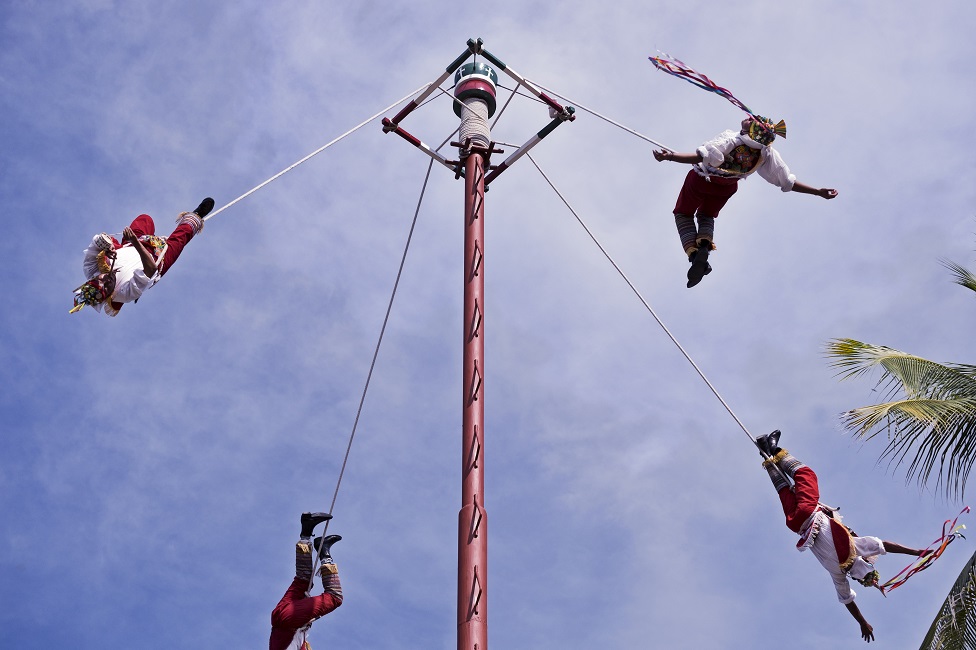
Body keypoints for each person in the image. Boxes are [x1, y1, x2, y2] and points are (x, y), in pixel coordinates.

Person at [755, 430, 930, 643]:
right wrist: (862, 622)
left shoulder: (856, 549)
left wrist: (916, 552)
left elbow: (883, 545)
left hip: (808, 513)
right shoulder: (838, 573)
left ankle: (774, 449)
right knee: (784, 491)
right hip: (796, 525)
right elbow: (848, 601)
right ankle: (764, 449)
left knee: (806, 475)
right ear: (854, 577)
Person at [652, 116, 838, 288]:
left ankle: (693, 254)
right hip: (727, 188)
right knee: (707, 215)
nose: (749, 117)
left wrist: (670, 157)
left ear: (753, 131)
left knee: (683, 213)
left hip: (701, 180)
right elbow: (786, 181)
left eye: (753, 120)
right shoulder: (765, 154)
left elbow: (704, 157)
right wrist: (817, 192)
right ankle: (703, 250)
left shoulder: (732, 139)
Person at [70, 198, 213, 316]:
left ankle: (135, 240)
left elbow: (98, 239)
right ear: (108, 295)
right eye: (108, 287)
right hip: (157, 260)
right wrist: (135, 242)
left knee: (145, 220)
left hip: (133, 245)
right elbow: (150, 268)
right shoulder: (123, 294)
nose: (108, 280)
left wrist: (108, 247)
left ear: (94, 278)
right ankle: (197, 215)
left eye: (102, 280)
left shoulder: (91, 268)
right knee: (182, 236)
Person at [269, 512, 343, 650]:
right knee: (303, 580)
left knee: (335, 597)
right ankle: (306, 532)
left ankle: (324, 553)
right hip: (280, 616)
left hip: (289, 621)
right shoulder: (299, 644)